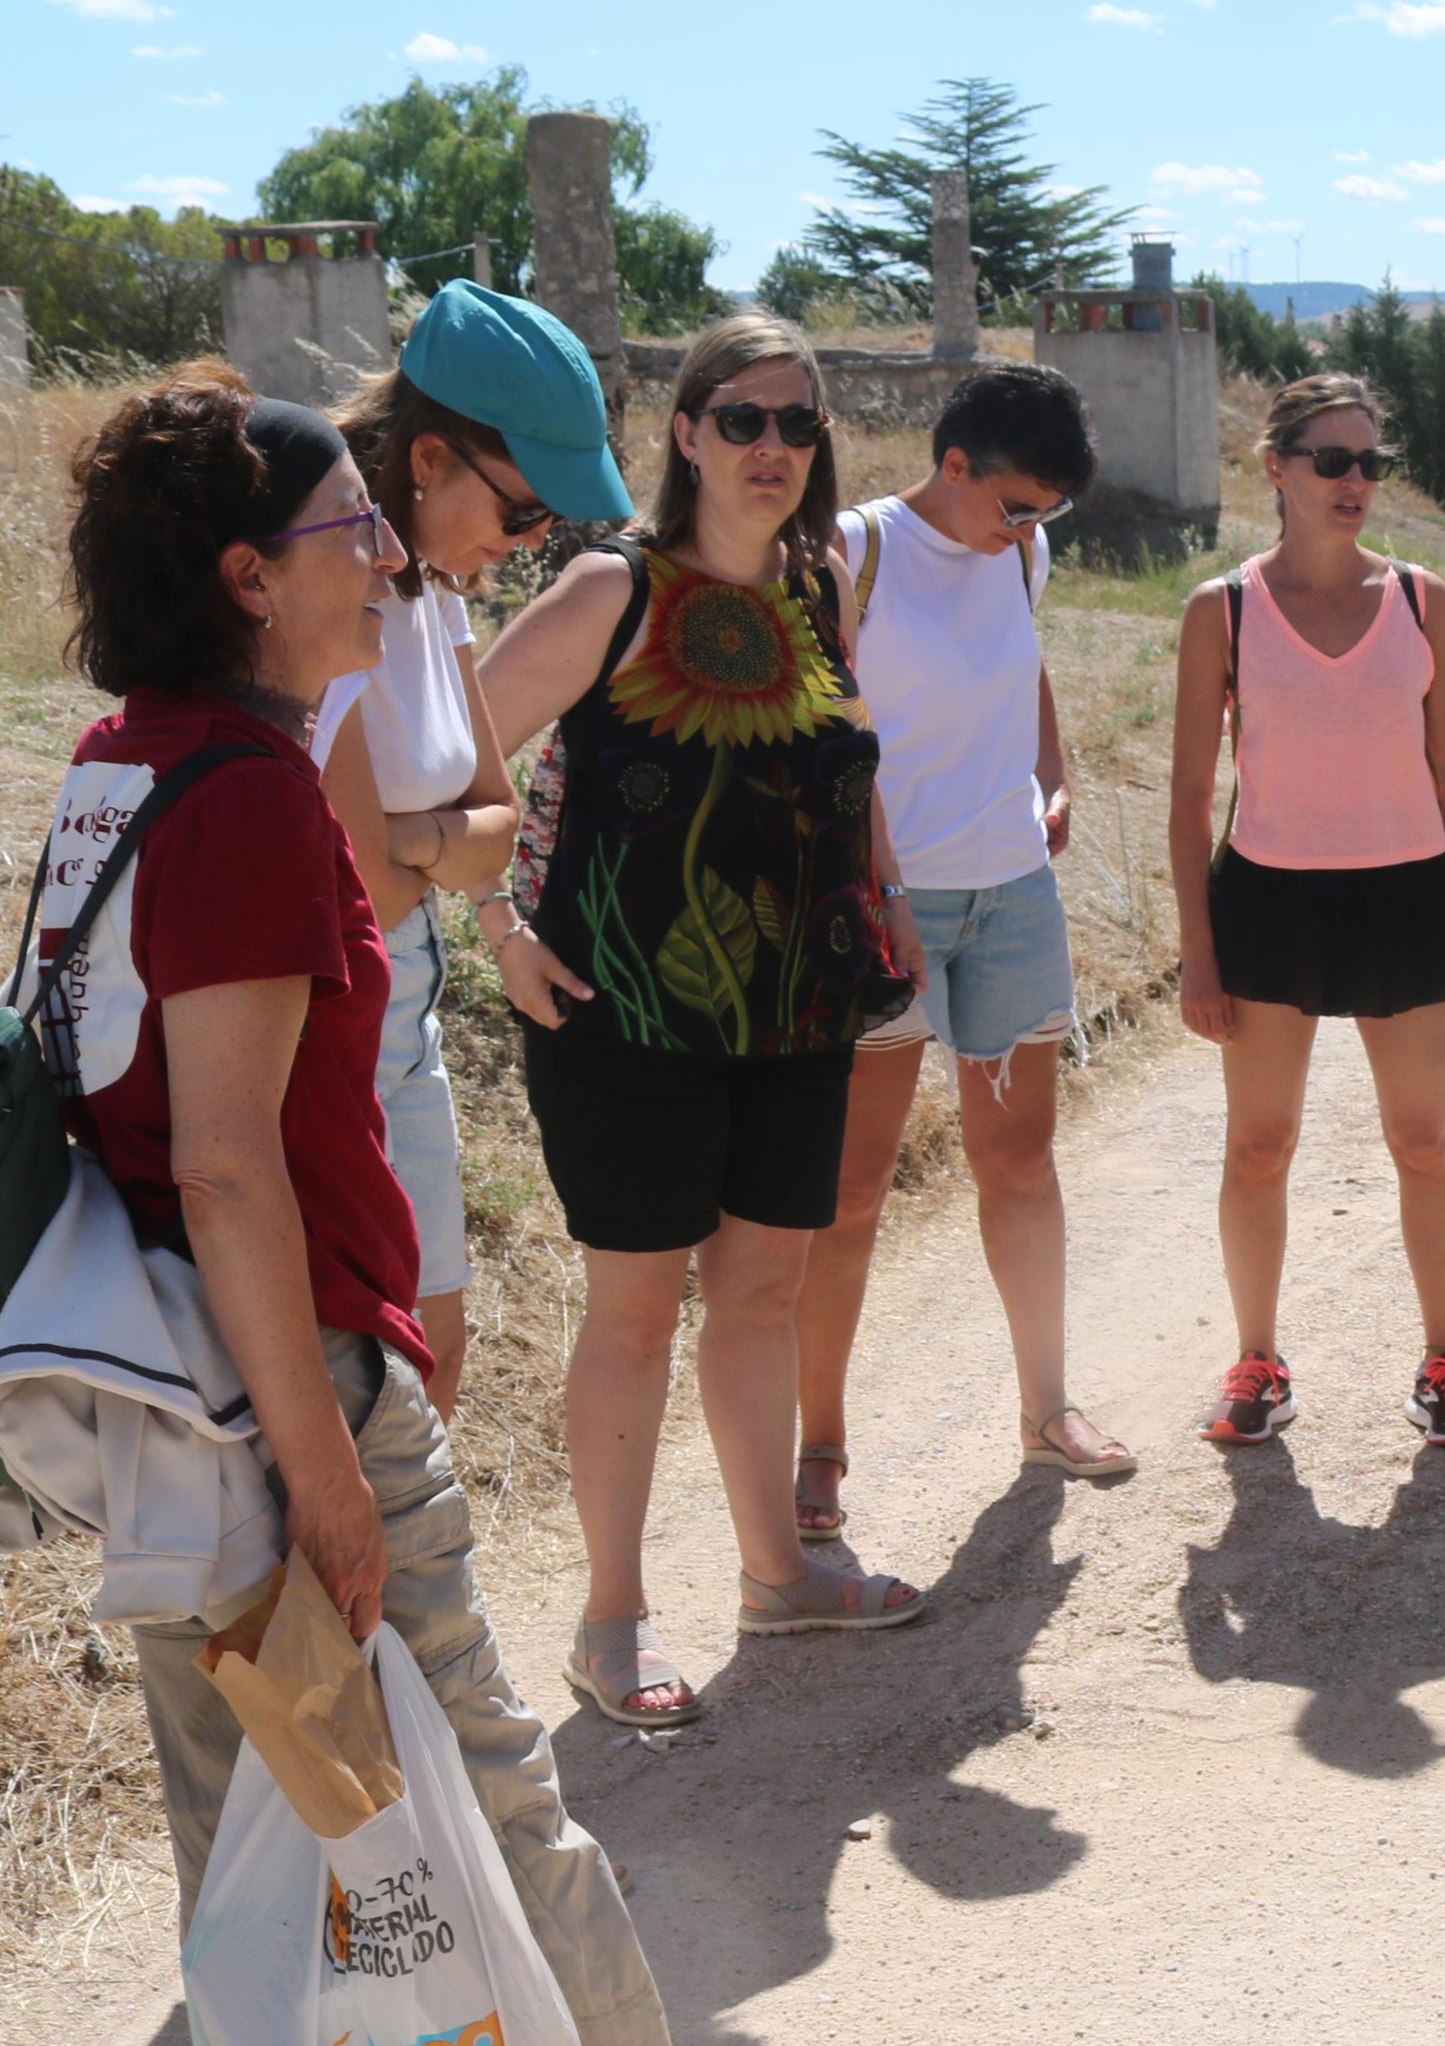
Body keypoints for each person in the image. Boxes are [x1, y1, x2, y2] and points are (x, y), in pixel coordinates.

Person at [40, 364, 848, 2046]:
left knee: (244, 1790)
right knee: (486, 1778)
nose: (387, 561)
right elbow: (233, 1164)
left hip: (158, 1376)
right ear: (247, 573)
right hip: (282, 1365)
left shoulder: (118, 760)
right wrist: (330, 1471)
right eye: (351, 533)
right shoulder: (240, 799)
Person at [475, 313, 924, 1733]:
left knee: (762, 1293)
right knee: (635, 1307)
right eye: (744, 419)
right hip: (622, 1012)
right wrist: (495, 932)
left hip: (795, 1004)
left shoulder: (817, 583)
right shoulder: (610, 587)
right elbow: (452, 742)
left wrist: (887, 884)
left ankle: (774, 1571)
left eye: (799, 425)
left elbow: (845, 754)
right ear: (682, 432)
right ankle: (609, 1615)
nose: (775, 449)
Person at [796, 362, 1136, 1523]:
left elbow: (1018, 656)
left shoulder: (1021, 554)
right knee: (850, 1192)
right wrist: (880, 878)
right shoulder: (856, 548)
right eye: (1016, 507)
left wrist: (1053, 770)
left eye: (1044, 514)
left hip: (1009, 892)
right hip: (884, 906)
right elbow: (824, 729)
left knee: (1020, 1164)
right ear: (954, 465)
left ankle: (1047, 1410)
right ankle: (819, 1452)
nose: (1029, 534)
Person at [1166, 372, 1445, 1452]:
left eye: (1370, 461)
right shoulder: (1220, 608)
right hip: (1268, 901)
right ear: (1275, 469)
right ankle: (1257, 1360)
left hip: (1407, 895)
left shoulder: (1422, 598)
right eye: (1332, 460)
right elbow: (1185, 794)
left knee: (1423, 1139)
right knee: (1258, 1146)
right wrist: (1196, 953)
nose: (1355, 479)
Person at [316, 281, 631, 1418]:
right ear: (430, 456)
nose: (532, 544)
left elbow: (494, 821)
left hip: (408, 1010)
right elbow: (357, 861)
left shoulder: (433, 595)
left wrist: (428, 843)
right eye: (523, 512)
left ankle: (387, 1597)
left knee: (432, 1357)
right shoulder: (325, 592)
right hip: (326, 1024)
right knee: (359, 1370)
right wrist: (438, 845)